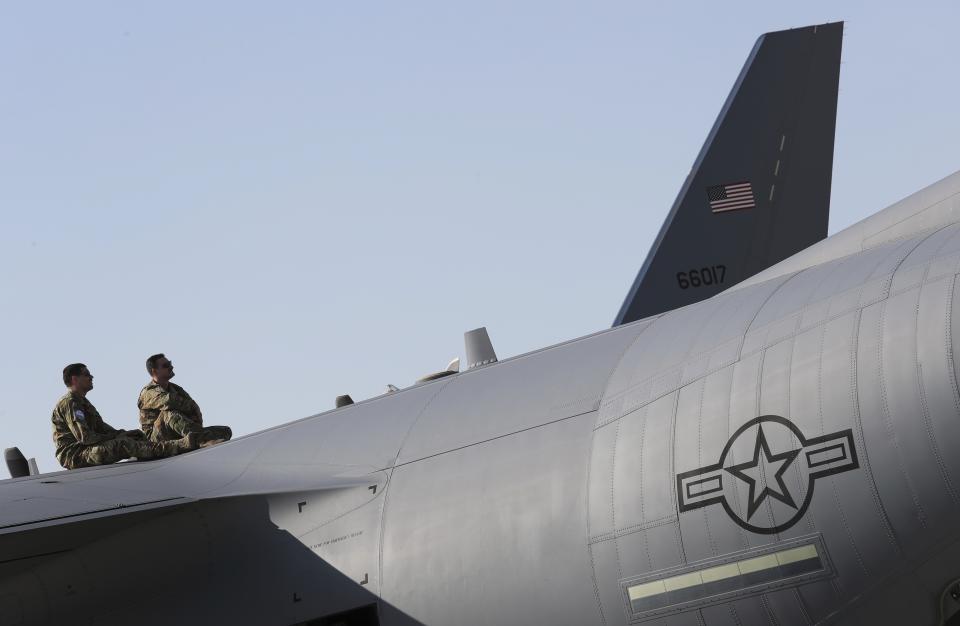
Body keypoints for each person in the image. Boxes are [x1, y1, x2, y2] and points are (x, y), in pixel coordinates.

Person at [52, 363, 199, 470]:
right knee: (123, 445)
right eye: (86, 374)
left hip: (86, 450)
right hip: (75, 455)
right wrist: (118, 438)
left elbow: (102, 428)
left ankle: (159, 453)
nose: (91, 377)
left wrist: (122, 433)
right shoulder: (69, 403)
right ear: (74, 379)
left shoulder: (83, 403)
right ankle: (179, 445)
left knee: (134, 437)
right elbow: (86, 438)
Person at [138, 353, 232, 445]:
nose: (171, 367)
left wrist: (195, 423)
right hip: (155, 439)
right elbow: (170, 402)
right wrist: (188, 407)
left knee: (225, 431)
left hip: (179, 432)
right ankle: (200, 441)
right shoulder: (149, 392)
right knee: (168, 414)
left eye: (170, 363)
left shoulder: (176, 389)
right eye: (166, 365)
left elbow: (194, 408)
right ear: (154, 371)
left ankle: (197, 438)